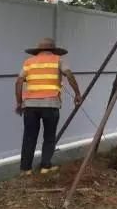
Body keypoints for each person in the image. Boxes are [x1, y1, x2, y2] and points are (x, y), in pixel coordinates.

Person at [15, 38, 82, 175]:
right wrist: (77, 94)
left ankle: (25, 169)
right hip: (51, 104)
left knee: (29, 137)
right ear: (53, 50)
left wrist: (19, 103)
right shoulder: (58, 60)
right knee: (49, 136)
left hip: (30, 106)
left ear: (38, 50)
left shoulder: (29, 62)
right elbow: (69, 74)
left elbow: (19, 82)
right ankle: (45, 167)